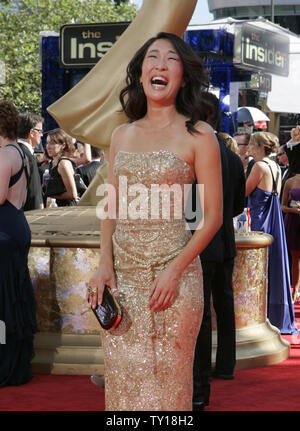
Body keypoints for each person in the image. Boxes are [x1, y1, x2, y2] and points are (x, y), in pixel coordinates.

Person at [86, 32, 223, 411]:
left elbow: (211, 217)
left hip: (174, 281)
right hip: (122, 280)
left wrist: (174, 270)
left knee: (167, 385)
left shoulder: (199, 135)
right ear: (141, 72)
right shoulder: (121, 134)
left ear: (182, 76)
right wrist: (103, 266)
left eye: (171, 60)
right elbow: (111, 206)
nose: (160, 65)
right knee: (123, 385)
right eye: (152, 57)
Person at [191, 93, 245, 411]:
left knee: (200, 315)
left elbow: (190, 208)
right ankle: (225, 365)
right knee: (224, 305)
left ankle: (199, 390)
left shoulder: (196, 152)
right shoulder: (232, 157)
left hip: (201, 242)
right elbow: (237, 205)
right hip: (225, 240)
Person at [0, 100, 38, 386]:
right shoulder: (21, 153)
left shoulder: (4, 156)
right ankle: (15, 364)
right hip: (16, 227)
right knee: (12, 296)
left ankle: (6, 365)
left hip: (5, 232)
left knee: (4, 301)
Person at [245, 132, 298, 334]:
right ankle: (273, 313)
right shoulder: (275, 166)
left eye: (251, 144)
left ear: (260, 147)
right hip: (272, 218)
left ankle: (259, 312)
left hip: (260, 220)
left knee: (260, 269)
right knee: (273, 265)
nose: (248, 147)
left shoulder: (259, 167)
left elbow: (244, 191)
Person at [17, 113, 44, 211]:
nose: (41, 135)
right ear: (32, 133)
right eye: (40, 131)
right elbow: (34, 192)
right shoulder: (28, 157)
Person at [45, 128, 79, 207]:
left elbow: (73, 194)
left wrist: (51, 195)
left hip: (67, 209)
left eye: (52, 143)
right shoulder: (54, 162)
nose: (48, 146)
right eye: (47, 143)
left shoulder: (63, 163)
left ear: (63, 145)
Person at [281, 174, 300, 302]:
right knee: (295, 259)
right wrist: (294, 211)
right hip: (293, 222)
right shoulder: (289, 181)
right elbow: (282, 206)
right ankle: (296, 290)